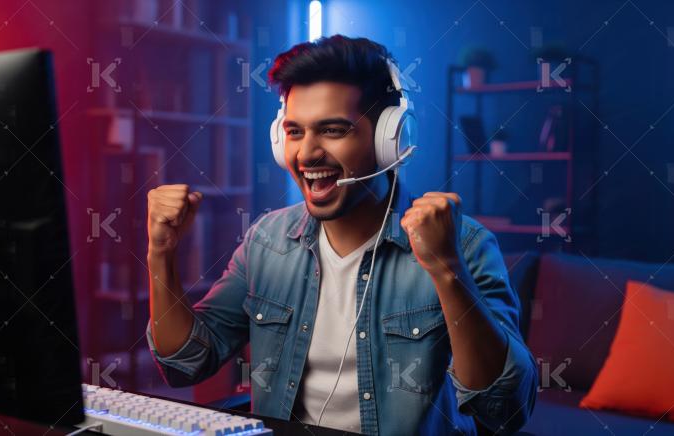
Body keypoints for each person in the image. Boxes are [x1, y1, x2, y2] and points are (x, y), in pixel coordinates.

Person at [145, 35, 536, 435]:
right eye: (294, 132)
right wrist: (161, 253)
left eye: (332, 130)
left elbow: (504, 408)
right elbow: (185, 364)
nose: (306, 154)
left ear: (391, 139)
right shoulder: (266, 241)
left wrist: (447, 269)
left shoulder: (463, 244)